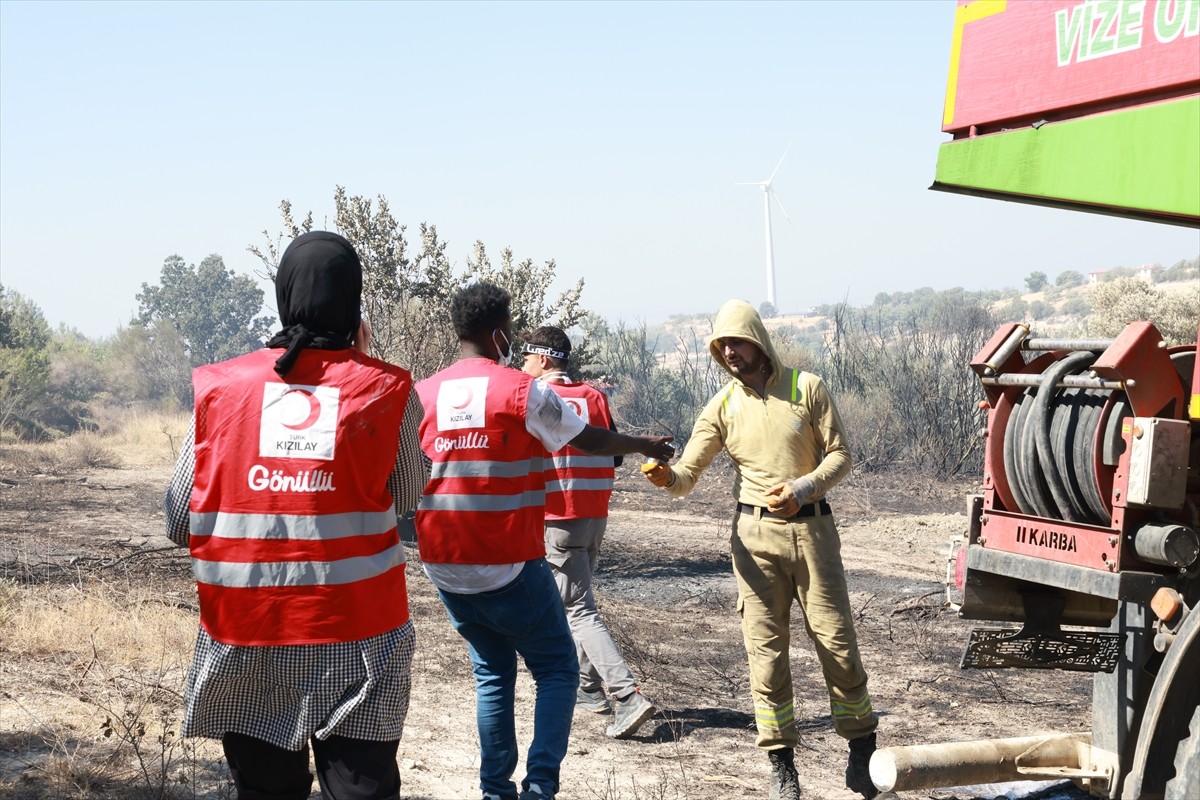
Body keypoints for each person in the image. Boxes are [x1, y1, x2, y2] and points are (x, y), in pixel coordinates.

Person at [163, 231, 429, 800]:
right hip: (361, 638)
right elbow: (407, 496)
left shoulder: (222, 388)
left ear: (283, 295)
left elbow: (180, 515)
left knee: (266, 792)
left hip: (247, 632)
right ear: (354, 303)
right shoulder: (388, 389)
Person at [414, 282, 674, 800]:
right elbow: (589, 439)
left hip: (443, 563)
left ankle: (496, 789)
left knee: (491, 673)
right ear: (499, 333)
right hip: (506, 560)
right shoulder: (518, 389)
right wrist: (646, 443)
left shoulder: (423, 393)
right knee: (556, 668)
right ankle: (540, 786)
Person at [642, 299, 879, 800]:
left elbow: (840, 457)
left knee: (837, 647)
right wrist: (666, 477)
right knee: (766, 658)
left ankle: (861, 755)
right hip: (754, 540)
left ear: (759, 341)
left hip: (813, 535)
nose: (729, 351)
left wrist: (803, 488)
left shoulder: (806, 388)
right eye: (720, 345)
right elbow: (687, 476)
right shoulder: (722, 406)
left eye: (736, 341)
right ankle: (782, 768)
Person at [519, 325, 657, 740]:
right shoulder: (595, 396)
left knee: (578, 609)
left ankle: (627, 695)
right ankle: (589, 689)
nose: (523, 365)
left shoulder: (536, 397)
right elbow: (612, 455)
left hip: (557, 516)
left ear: (543, 359)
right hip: (595, 513)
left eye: (526, 357)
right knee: (576, 602)